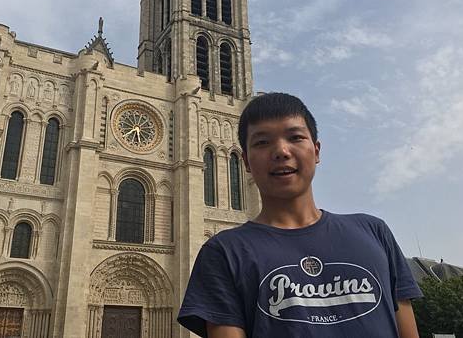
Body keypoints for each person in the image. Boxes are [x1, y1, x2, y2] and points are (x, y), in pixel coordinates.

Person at [178, 93, 422, 338]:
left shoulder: (374, 232)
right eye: (262, 142)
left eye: (295, 137)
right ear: (246, 162)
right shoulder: (223, 252)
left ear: (316, 151)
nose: (281, 151)